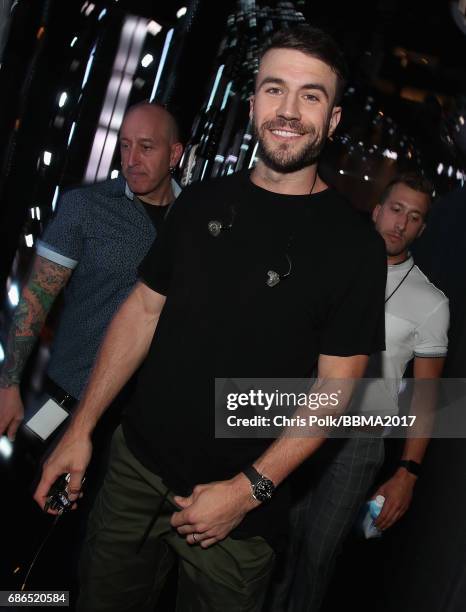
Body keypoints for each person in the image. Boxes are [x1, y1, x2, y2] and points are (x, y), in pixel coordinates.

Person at [33, 25, 387, 612]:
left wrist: (247, 492)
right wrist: (80, 427)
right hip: (135, 470)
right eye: (275, 90)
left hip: (241, 510)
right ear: (252, 104)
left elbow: (336, 388)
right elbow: (142, 312)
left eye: (311, 95)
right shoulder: (197, 203)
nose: (289, 111)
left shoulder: (354, 247)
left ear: (334, 119)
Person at [272, 173, 449, 612]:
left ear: (421, 229)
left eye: (414, 217)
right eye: (395, 209)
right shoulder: (331, 264)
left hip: (358, 439)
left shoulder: (431, 302)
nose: (400, 223)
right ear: (376, 210)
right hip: (300, 414)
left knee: (317, 555)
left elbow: (427, 397)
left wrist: (407, 472)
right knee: (275, 543)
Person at [0, 102, 183, 443]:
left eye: (146, 147)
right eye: (125, 145)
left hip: (142, 421)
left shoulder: (195, 222)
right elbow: (38, 296)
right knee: (35, 481)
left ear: (174, 155)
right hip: (65, 398)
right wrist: (8, 384)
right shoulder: (85, 208)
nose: (131, 160)